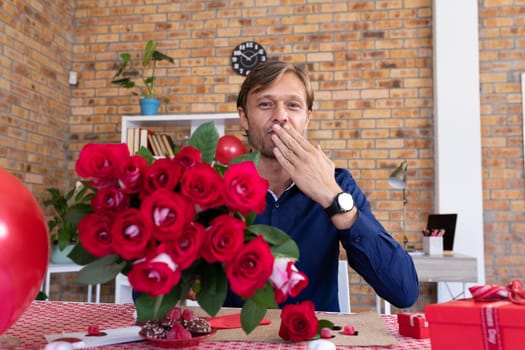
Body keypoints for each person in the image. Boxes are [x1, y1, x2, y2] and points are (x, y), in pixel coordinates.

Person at [224, 60, 419, 312]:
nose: (280, 116)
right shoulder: (217, 185)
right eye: (265, 104)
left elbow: (403, 292)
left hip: (316, 339)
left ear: (306, 119)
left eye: (292, 105)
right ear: (244, 118)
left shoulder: (338, 183)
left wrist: (331, 195)